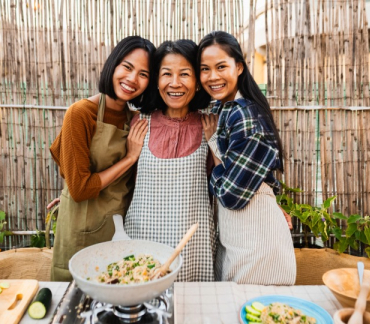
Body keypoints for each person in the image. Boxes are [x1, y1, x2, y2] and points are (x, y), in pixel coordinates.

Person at [49, 36, 155, 281]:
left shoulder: (136, 120)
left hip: (121, 227)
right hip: (82, 228)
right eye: (127, 67)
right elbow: (80, 189)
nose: (131, 79)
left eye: (143, 74)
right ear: (113, 65)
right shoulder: (80, 114)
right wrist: (129, 158)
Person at [197, 31, 296, 285]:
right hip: (241, 237)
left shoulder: (246, 115)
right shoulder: (223, 108)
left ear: (238, 67)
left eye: (221, 67)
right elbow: (260, 173)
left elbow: (232, 195)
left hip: (258, 244)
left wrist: (212, 146)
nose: (213, 76)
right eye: (204, 69)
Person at [124, 39, 216, 282]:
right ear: (156, 80)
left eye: (185, 74)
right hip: (144, 240)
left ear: (197, 82)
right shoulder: (140, 123)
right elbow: (123, 182)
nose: (175, 83)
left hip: (194, 246)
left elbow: (224, 181)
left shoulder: (210, 125)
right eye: (167, 74)